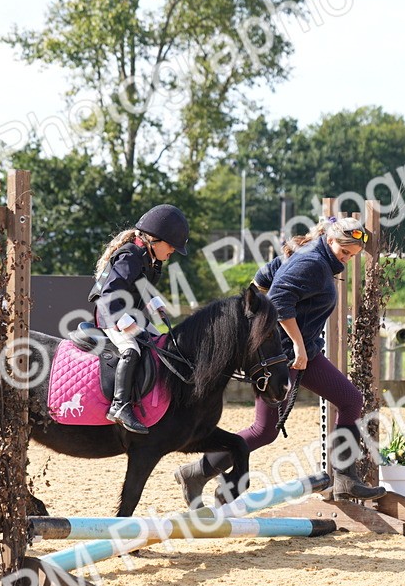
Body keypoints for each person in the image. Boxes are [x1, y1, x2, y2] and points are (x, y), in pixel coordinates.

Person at [177, 216, 385, 503]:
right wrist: (291, 344)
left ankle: (346, 478)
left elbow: (262, 279)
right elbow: (278, 300)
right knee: (263, 431)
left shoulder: (310, 256)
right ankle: (196, 473)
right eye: (345, 251)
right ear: (330, 240)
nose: (347, 259)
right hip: (281, 358)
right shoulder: (312, 263)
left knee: (350, 399)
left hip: (305, 354)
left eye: (353, 255)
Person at [89, 204, 190, 433]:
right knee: (131, 350)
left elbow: (141, 288)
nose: (173, 250)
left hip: (131, 314)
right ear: (154, 239)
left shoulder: (150, 258)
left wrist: (155, 304)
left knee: (163, 341)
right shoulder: (130, 255)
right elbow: (109, 295)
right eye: (171, 245)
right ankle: (119, 406)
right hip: (110, 315)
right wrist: (124, 323)